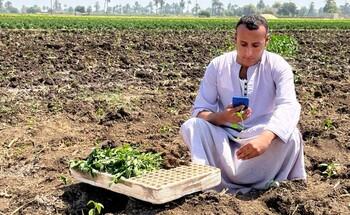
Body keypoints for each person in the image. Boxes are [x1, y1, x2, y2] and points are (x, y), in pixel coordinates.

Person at [180, 15, 306, 194]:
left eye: (256, 46)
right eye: (243, 44)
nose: (248, 53)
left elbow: (288, 105)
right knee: (192, 126)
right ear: (235, 40)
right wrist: (222, 117)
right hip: (225, 137)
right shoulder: (218, 65)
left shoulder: (278, 66)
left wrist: (265, 138)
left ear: (266, 41)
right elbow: (200, 110)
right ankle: (205, 181)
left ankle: (268, 185)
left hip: (262, 138)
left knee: (291, 137)